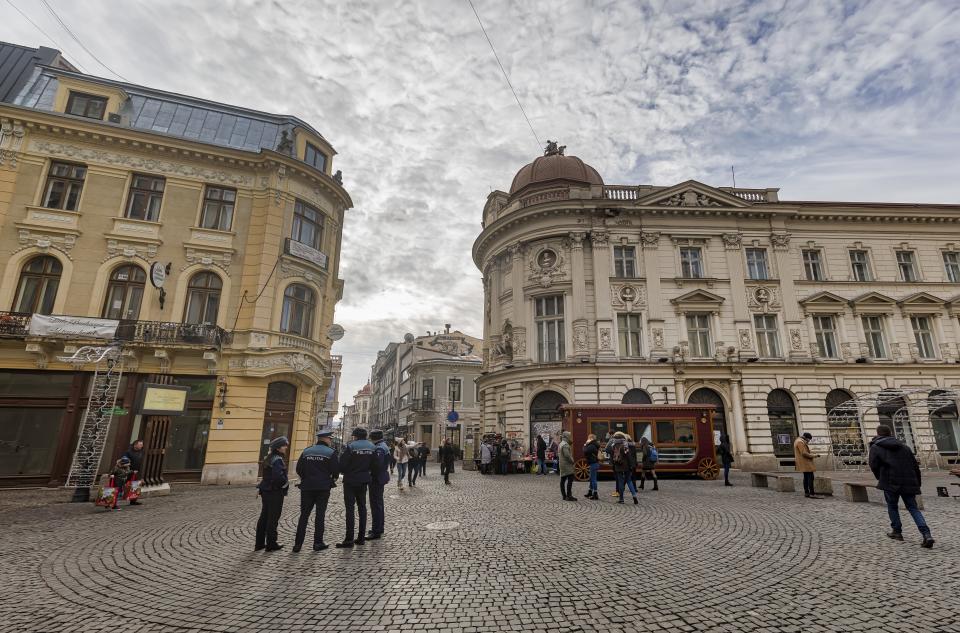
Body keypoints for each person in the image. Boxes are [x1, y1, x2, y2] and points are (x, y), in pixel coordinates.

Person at [869, 425, 934, 548]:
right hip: (908, 481)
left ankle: (897, 531)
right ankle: (926, 534)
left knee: (892, 506)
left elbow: (873, 465)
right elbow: (915, 466)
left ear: (878, 434)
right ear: (891, 433)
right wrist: (917, 483)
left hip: (889, 481)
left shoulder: (876, 447)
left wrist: (880, 477)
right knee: (913, 508)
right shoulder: (905, 447)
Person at [293, 428, 339, 552]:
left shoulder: (307, 451)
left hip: (307, 487)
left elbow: (299, 469)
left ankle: (297, 544)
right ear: (325, 439)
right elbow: (336, 471)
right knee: (320, 515)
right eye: (330, 438)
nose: (330, 441)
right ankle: (318, 543)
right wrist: (330, 479)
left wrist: (306, 478)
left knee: (304, 515)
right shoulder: (330, 453)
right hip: (323, 488)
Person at [337, 427, 378, 548]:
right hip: (364, 480)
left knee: (350, 509)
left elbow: (342, 464)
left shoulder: (351, 446)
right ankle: (361, 538)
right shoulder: (372, 447)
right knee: (362, 508)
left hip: (350, 481)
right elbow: (376, 465)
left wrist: (346, 471)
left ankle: (349, 539)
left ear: (355, 436)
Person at [255, 436, 289, 552]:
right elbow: (278, 477)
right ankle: (271, 543)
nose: (286, 447)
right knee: (273, 518)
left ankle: (259, 543)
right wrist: (284, 483)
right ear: (278, 448)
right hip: (274, 491)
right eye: (284, 445)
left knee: (264, 516)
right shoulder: (278, 459)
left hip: (265, 490)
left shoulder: (268, 458)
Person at [367, 429, 390, 541]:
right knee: (378, 504)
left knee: (376, 504)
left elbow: (377, 464)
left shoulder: (379, 448)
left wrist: (370, 473)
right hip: (380, 477)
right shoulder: (383, 445)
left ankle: (376, 530)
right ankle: (379, 527)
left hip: (376, 479)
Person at [610, 432, 639, 504]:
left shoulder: (613, 446)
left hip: (618, 466)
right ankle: (634, 496)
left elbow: (611, 456)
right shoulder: (625, 446)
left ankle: (621, 499)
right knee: (629, 481)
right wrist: (631, 465)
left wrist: (613, 464)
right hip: (626, 466)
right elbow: (629, 456)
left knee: (620, 482)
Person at [794, 432, 821, 498]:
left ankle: (807, 493)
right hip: (806, 463)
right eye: (809, 439)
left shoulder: (798, 440)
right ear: (806, 438)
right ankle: (811, 493)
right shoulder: (800, 442)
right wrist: (814, 455)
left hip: (804, 463)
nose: (809, 441)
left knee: (806, 478)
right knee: (810, 478)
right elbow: (804, 453)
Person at [121, 440, 145, 505]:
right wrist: (130, 470)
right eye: (140, 445)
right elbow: (124, 461)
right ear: (135, 445)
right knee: (125, 485)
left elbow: (141, 462)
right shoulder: (128, 452)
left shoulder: (141, 452)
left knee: (136, 486)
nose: (141, 446)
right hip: (129, 471)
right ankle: (118, 499)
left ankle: (133, 500)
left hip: (137, 471)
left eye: (142, 445)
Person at [558, 431, 576, 501]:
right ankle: (569, 496)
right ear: (567, 436)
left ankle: (564, 496)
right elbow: (567, 455)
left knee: (562, 480)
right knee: (570, 480)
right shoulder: (565, 444)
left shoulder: (561, 444)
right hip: (567, 465)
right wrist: (572, 461)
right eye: (569, 436)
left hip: (562, 464)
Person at [582, 434, 600, 500]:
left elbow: (585, 451)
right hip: (594, 463)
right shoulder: (594, 444)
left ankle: (595, 494)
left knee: (593, 479)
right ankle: (590, 491)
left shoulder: (592, 445)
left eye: (588, 438)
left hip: (593, 463)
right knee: (591, 478)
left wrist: (585, 445)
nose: (587, 439)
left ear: (591, 438)